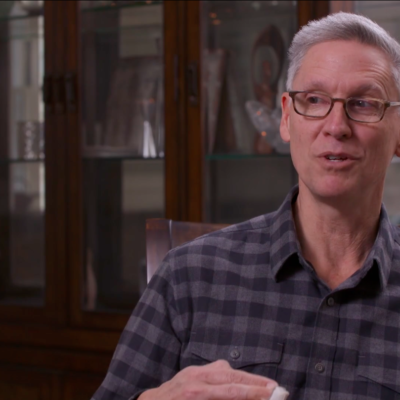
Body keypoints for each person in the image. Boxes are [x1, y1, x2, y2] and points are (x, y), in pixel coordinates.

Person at [92, 11, 400, 400]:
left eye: (364, 104)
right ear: (287, 118)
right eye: (315, 100)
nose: (336, 125)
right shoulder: (190, 276)